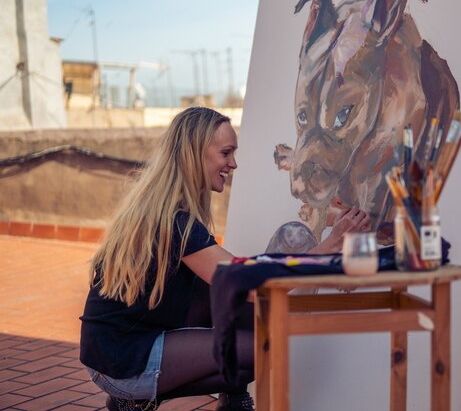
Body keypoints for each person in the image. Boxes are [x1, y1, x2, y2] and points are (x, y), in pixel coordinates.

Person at [79, 107, 371, 411]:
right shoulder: (177, 224)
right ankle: (134, 397)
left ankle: (230, 397)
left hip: (124, 344)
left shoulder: (167, 211)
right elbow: (252, 288)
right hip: (119, 361)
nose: (233, 163)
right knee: (264, 343)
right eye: (226, 153)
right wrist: (330, 245)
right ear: (194, 155)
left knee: (240, 309)